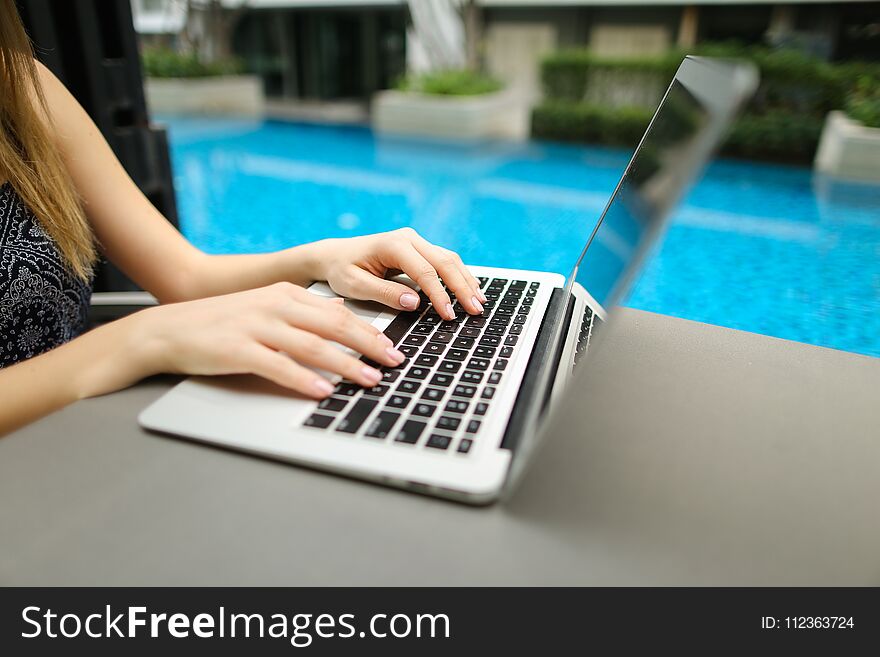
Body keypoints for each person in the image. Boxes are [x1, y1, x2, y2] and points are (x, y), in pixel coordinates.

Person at [0, 1, 486, 435]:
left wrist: (324, 258)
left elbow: (185, 276)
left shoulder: (21, 87)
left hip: (90, 429)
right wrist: (137, 337)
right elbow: (149, 328)